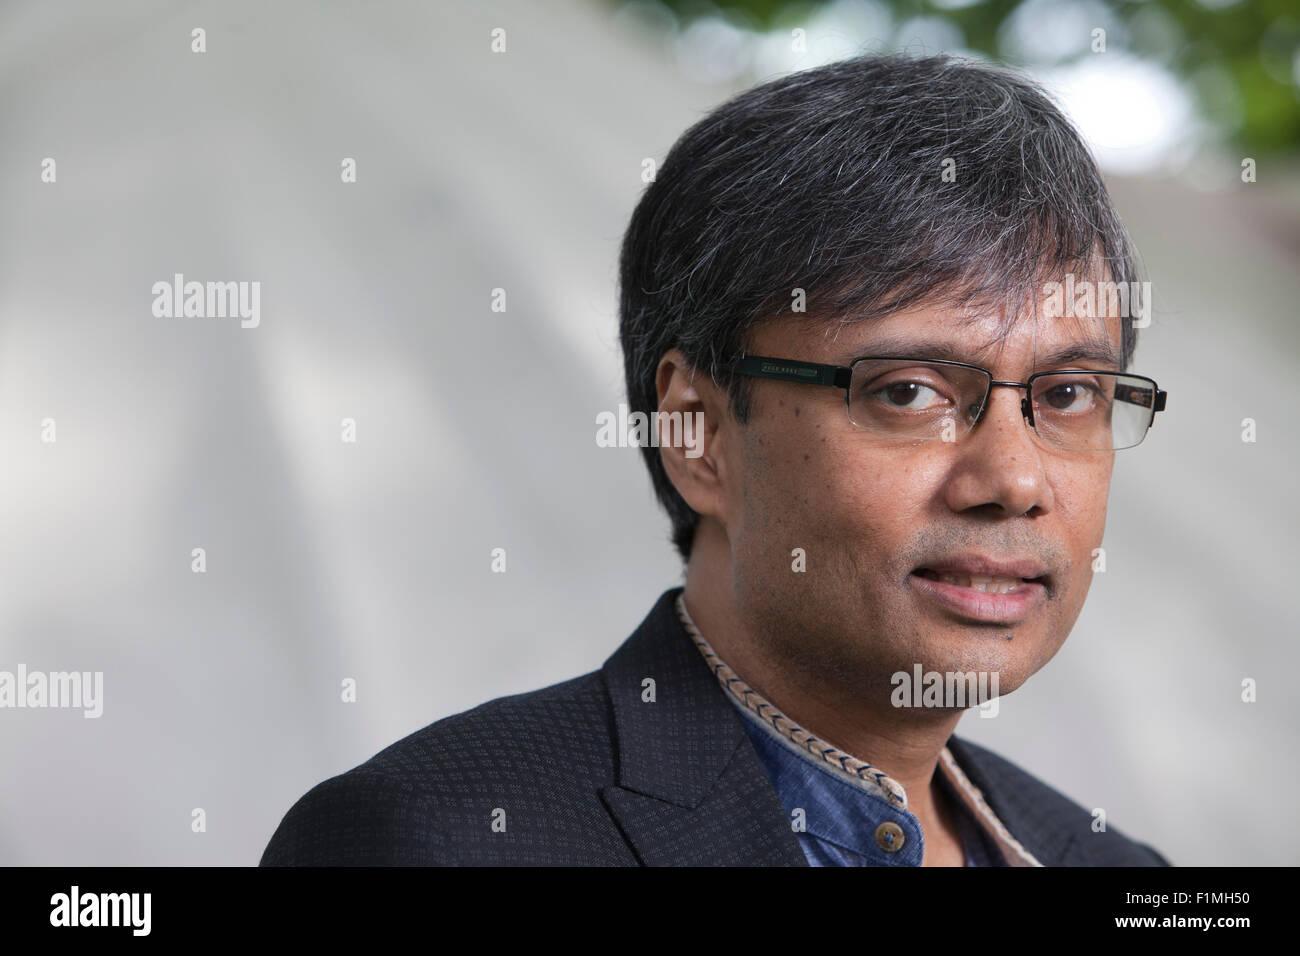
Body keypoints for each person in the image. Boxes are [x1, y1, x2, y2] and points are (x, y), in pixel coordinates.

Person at [261, 52, 1171, 867]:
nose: (1012, 481)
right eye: (907, 392)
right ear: (696, 431)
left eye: (1066, 396)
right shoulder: (437, 840)